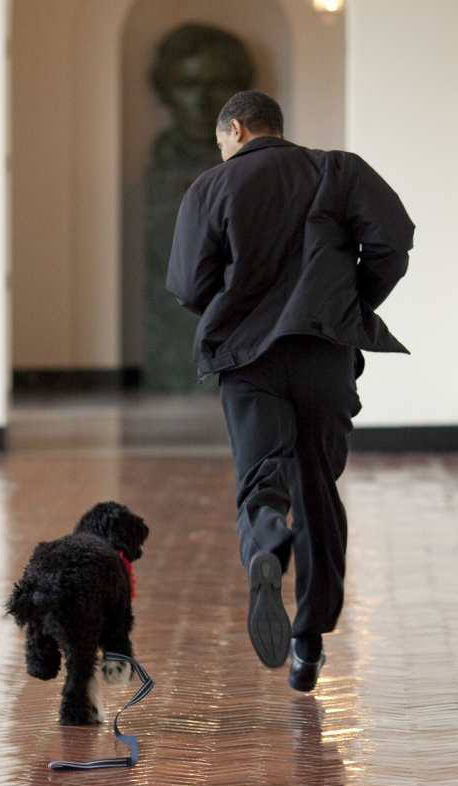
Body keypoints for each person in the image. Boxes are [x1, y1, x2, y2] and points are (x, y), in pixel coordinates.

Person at [166, 90, 414, 691]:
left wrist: (233, 307)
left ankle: (266, 546)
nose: (221, 150)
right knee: (317, 487)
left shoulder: (211, 187)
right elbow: (393, 240)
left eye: (221, 139)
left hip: (250, 358)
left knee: (262, 475)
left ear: (239, 129)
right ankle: (308, 642)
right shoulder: (338, 169)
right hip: (322, 352)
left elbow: (186, 282)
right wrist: (346, 301)